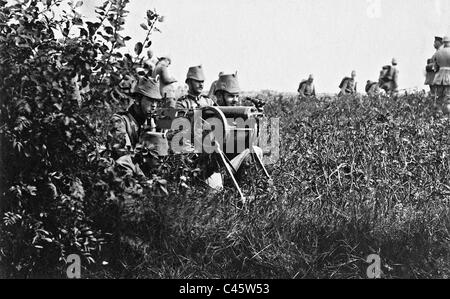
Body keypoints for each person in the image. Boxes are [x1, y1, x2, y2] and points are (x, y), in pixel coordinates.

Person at [107, 76, 167, 175]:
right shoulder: (120, 120)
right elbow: (122, 155)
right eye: (150, 100)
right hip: (123, 173)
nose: (154, 105)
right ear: (137, 100)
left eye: (157, 101)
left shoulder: (155, 122)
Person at [433, 35, 450, 114]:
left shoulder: (438, 52)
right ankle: (447, 113)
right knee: (448, 96)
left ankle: (438, 112)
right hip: (449, 75)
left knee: (439, 96)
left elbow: (435, 66)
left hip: (439, 76)